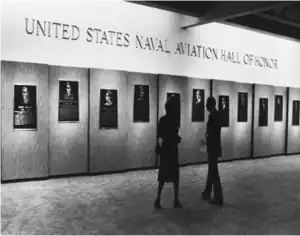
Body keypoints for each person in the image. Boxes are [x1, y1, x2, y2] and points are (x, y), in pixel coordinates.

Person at [154, 96, 183, 209]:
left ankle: (158, 199)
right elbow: (173, 135)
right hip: (171, 150)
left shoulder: (163, 120)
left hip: (166, 150)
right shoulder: (174, 121)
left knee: (163, 175)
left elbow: (160, 135)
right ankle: (175, 200)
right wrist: (175, 138)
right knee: (174, 176)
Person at [201, 96, 224, 206]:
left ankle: (218, 197)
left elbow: (210, 133)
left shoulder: (213, 116)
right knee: (212, 170)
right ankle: (207, 192)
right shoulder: (217, 115)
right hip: (215, 147)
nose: (205, 106)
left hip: (213, 147)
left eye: (207, 104)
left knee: (214, 172)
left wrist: (204, 143)